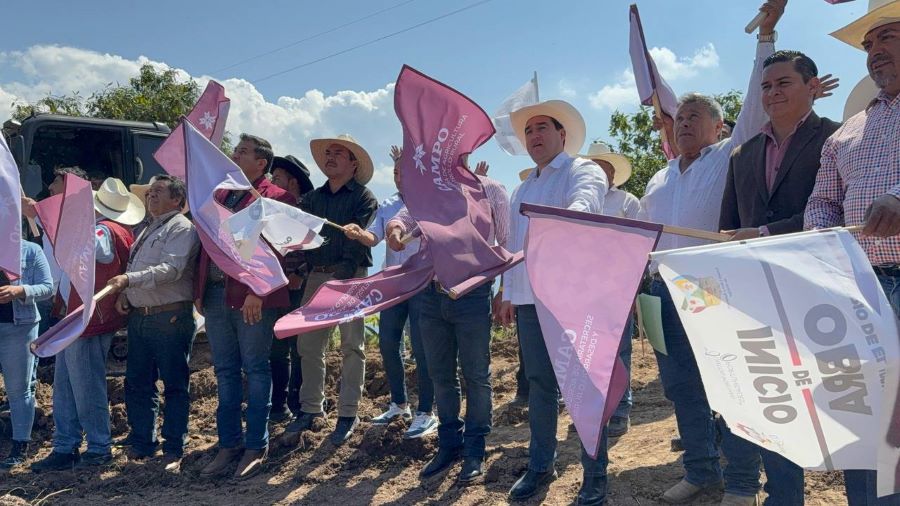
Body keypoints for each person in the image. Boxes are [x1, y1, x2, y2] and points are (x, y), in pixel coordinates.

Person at [638, 1, 783, 502]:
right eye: (680, 118)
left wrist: (765, 38)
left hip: (712, 289)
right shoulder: (657, 178)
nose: (683, 123)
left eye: (695, 117)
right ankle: (701, 471)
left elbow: (755, 106)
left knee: (731, 387)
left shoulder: (729, 155)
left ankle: (742, 481)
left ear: (718, 128)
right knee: (681, 389)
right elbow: (634, 236)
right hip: (660, 295)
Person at [719, 49, 840, 506]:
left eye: (783, 83)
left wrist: (766, 232)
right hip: (755, 294)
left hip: (817, 289)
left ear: (812, 87)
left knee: (823, 400)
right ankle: (784, 495)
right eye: (766, 86)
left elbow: (834, 212)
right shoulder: (743, 153)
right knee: (773, 398)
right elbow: (728, 227)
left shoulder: (837, 138)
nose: (772, 93)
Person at [807, 2, 900, 503]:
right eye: (868, 44)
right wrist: (822, 239)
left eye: (887, 37)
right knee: (864, 419)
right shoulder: (847, 132)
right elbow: (822, 201)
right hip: (859, 286)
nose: (874, 51)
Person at [496, 99, 610, 504]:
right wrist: (509, 292)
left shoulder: (583, 170)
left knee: (583, 389)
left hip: (572, 297)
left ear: (563, 135)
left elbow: (587, 204)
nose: (535, 136)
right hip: (530, 299)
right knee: (540, 385)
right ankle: (541, 464)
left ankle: (595, 475)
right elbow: (514, 245)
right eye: (529, 131)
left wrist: (568, 220)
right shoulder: (522, 189)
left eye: (543, 128)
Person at [385, 159, 510, 485]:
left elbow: (506, 241)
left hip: (472, 295)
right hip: (430, 293)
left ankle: (475, 447)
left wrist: (505, 290)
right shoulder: (429, 189)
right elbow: (408, 215)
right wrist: (396, 229)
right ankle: (449, 443)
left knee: (475, 374)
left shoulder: (491, 188)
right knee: (440, 374)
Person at [194, 134, 294, 480]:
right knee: (224, 370)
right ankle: (228, 445)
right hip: (216, 294)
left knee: (255, 367)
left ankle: (256, 445)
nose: (234, 154)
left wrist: (258, 291)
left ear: (261, 163)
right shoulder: (221, 194)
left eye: (242, 151)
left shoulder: (278, 197)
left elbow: (278, 248)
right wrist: (200, 290)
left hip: (252, 298)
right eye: (235, 149)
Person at [29, 177, 140, 472]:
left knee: (83, 385)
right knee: (68, 384)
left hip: (87, 319)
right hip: (79, 318)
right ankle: (68, 445)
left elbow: (96, 249)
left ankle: (97, 447)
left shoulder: (104, 229)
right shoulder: (116, 229)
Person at [283, 134, 378, 446]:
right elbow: (297, 230)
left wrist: (341, 275)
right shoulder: (312, 200)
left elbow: (357, 244)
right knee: (308, 345)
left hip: (351, 277)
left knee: (353, 346)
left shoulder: (364, 198)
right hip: (317, 275)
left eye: (338, 153)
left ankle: (348, 412)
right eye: (328, 153)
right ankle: (311, 409)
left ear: (353, 163)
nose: (330, 157)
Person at [105, 175, 200, 473]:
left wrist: (128, 281)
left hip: (169, 316)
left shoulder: (182, 228)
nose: (151, 196)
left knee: (173, 383)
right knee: (138, 382)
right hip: (143, 315)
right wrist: (127, 295)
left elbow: (171, 270)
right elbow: (140, 269)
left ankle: (174, 446)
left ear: (177, 200)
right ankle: (143, 441)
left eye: (158, 192)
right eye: (149, 193)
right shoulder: (148, 228)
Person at [343, 145, 438, 439]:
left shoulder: (431, 202)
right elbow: (374, 237)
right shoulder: (387, 204)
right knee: (388, 343)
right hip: (393, 284)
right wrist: (360, 234)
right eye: (395, 171)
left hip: (422, 283)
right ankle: (399, 404)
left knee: (422, 348)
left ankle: (427, 411)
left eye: (404, 170)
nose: (398, 176)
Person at [579, 139, 640, 439]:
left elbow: (638, 246)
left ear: (614, 174)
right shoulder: (578, 199)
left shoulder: (627, 202)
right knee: (590, 349)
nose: (601, 174)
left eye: (605, 168)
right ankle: (597, 406)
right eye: (594, 168)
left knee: (620, 350)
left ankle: (620, 408)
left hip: (618, 286)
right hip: (586, 287)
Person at [267, 155, 314, 422]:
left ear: (292, 182)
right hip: (276, 287)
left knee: (299, 347)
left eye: (278, 179)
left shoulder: (309, 210)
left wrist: (299, 273)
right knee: (277, 347)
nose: (273, 183)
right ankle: (279, 403)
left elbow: (318, 248)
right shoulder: (272, 210)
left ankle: (297, 402)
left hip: (299, 287)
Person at [0, 240, 53, 469]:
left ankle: (20, 445)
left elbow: (47, 286)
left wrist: (21, 290)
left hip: (19, 328)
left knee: (18, 388)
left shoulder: (30, 250)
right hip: (15, 327)